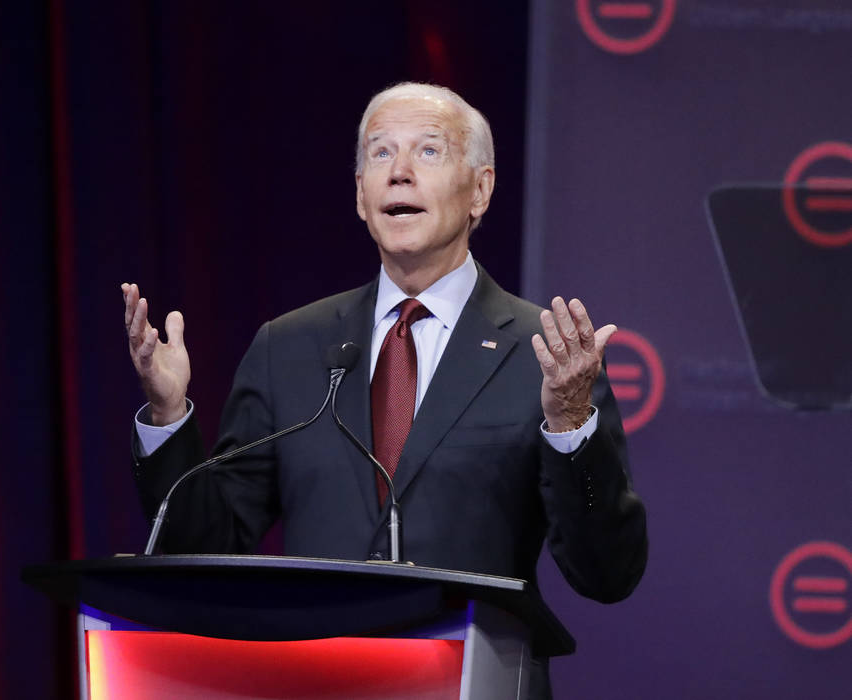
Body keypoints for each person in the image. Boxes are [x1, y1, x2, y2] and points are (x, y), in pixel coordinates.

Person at [121, 82, 647, 698]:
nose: (399, 173)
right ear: (359, 197)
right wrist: (167, 414)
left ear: (480, 190)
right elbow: (201, 551)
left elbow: (607, 573)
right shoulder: (288, 347)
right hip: (313, 681)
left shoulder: (548, 356)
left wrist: (570, 424)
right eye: (379, 154)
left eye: (428, 151)